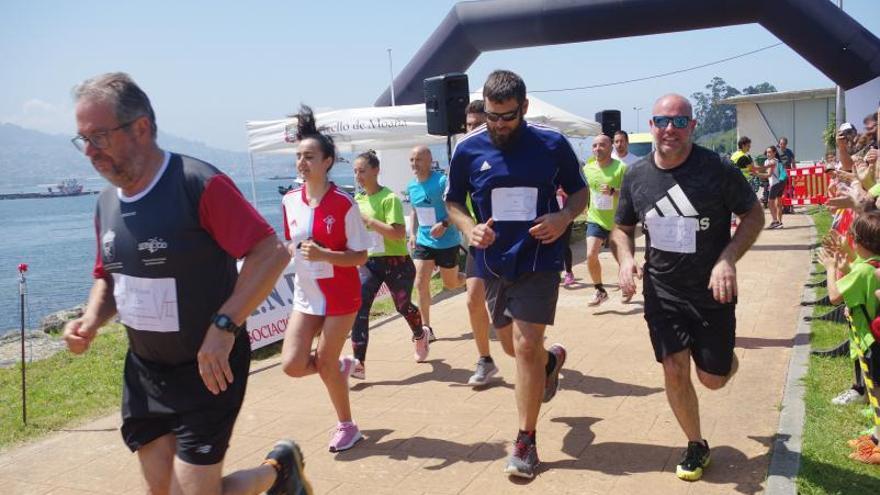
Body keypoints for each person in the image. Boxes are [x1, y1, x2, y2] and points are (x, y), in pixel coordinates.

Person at [63, 72, 310, 495]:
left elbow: (269, 253)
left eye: (98, 136)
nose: (89, 151)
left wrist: (224, 326)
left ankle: (277, 471)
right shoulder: (106, 204)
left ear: (140, 127)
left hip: (208, 368)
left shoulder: (197, 183)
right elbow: (108, 278)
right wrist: (89, 319)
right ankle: (282, 472)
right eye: (82, 139)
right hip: (146, 374)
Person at [611, 94, 764, 482]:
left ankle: (722, 361)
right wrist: (626, 259)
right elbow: (621, 228)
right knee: (674, 367)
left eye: (680, 123)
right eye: (662, 121)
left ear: (692, 127)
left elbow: (754, 215)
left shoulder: (717, 169)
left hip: (711, 291)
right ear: (651, 125)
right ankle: (696, 443)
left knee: (712, 379)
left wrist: (727, 258)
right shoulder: (636, 176)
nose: (670, 130)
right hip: (662, 290)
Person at [445, 69, 588, 478]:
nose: (499, 125)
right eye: (492, 116)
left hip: (539, 257)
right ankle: (549, 364)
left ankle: (525, 440)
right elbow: (453, 202)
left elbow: (580, 193)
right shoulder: (467, 150)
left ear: (524, 108)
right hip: (492, 262)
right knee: (511, 348)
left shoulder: (551, 143)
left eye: (507, 116)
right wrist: (467, 227)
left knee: (525, 346)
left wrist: (563, 217)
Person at [279, 105, 372, 454]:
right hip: (306, 295)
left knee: (325, 361)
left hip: (341, 296)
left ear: (328, 161)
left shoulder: (343, 203)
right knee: (291, 365)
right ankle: (340, 367)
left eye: (310, 156)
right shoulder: (289, 201)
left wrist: (325, 256)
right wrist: (290, 251)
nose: (302, 163)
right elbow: (291, 241)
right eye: (299, 157)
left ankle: (348, 426)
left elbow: (360, 256)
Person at [349, 150, 429, 378]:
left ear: (376, 170)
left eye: (362, 171)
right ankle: (358, 362)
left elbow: (397, 233)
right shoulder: (358, 200)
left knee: (403, 306)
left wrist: (370, 221)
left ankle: (419, 334)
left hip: (397, 262)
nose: (358, 176)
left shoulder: (389, 198)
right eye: (355, 171)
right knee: (360, 306)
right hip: (370, 262)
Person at [819, 211, 880, 464]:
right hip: (875, 340)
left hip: (872, 342)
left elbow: (834, 296)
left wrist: (831, 269)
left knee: (877, 393)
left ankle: (878, 448)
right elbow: (860, 274)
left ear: (856, 241)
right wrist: (847, 266)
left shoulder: (864, 272)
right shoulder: (872, 265)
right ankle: (876, 437)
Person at [408, 145, 466, 342]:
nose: (414, 164)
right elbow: (415, 210)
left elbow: (455, 206)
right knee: (420, 282)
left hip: (447, 241)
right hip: (424, 241)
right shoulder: (412, 186)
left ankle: (471, 279)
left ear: (430, 161)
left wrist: (444, 224)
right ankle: (426, 328)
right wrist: (413, 233)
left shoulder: (441, 182)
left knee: (451, 283)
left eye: (419, 159)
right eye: (412, 160)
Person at [463, 99, 499, 386]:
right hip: (479, 241)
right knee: (473, 298)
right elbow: (454, 203)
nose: (473, 130)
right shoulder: (464, 156)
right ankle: (485, 359)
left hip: (514, 244)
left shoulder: (502, 153)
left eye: (478, 125)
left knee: (513, 337)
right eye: (469, 125)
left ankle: (546, 356)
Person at [583, 134, 627, 305]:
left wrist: (613, 191)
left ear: (610, 148)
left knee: (621, 259)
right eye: (594, 145)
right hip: (596, 219)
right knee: (590, 254)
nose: (597, 148)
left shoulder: (620, 168)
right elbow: (582, 190)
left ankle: (626, 284)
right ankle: (600, 290)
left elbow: (629, 193)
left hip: (617, 221)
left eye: (602, 145)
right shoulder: (588, 168)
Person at [764, 146, 788, 229]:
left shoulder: (769, 162)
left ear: (774, 153)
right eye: (767, 152)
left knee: (770, 203)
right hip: (780, 183)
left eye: (770, 152)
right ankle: (780, 222)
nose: (768, 154)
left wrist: (756, 173)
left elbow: (768, 175)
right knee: (778, 203)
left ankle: (775, 221)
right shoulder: (777, 161)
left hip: (775, 184)